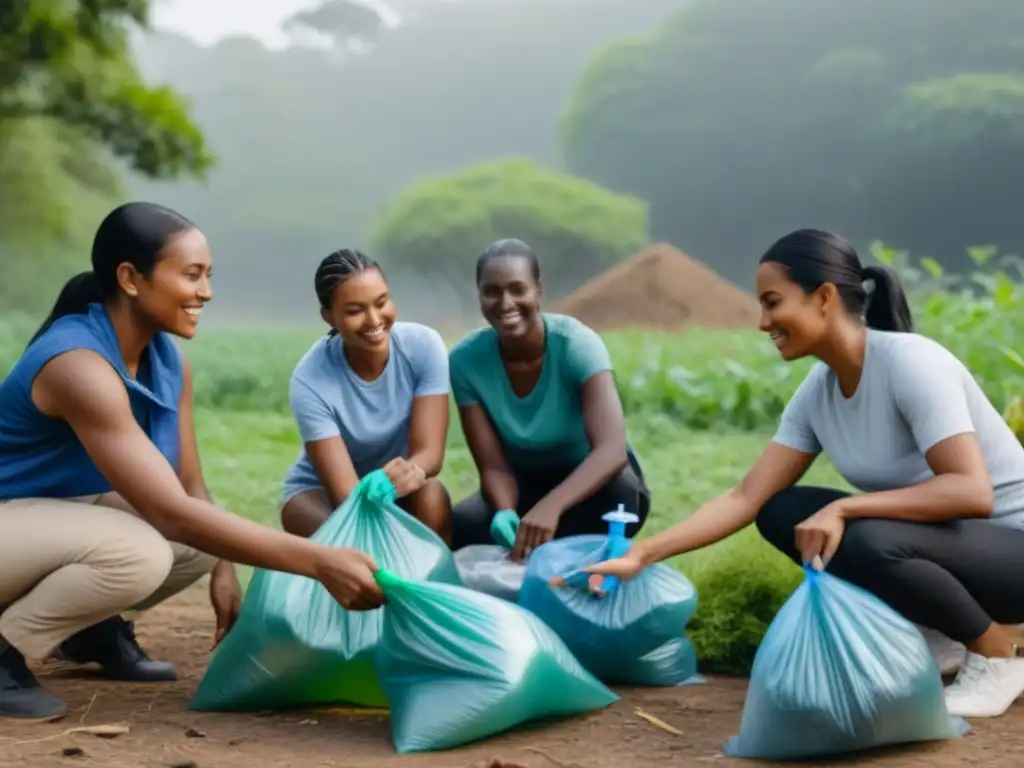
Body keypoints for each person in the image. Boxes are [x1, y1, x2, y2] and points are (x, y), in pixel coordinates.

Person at [584, 228, 1024, 719]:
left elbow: (971, 491)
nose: (763, 321)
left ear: (824, 298)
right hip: (957, 549)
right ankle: (942, 634)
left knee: (869, 536)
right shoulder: (819, 393)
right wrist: (641, 554)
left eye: (773, 303)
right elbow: (745, 496)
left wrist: (845, 506)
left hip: (1013, 549)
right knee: (783, 512)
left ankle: (997, 655)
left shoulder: (912, 363)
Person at [0, 203, 384, 723]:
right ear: (131, 279)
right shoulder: (78, 366)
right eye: (192, 275)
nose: (206, 292)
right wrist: (319, 563)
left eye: (209, 276)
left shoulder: (166, 360)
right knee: (139, 553)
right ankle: (5, 649)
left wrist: (223, 570)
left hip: (40, 520)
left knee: (196, 545)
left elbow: (190, 490)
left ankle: (87, 631)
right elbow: (171, 513)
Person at [449, 238, 650, 560]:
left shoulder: (576, 345)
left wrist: (550, 508)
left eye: (518, 289)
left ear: (538, 289)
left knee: (621, 497)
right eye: (491, 291)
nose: (505, 302)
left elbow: (611, 451)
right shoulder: (465, 362)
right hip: (523, 485)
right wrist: (504, 512)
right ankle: (533, 566)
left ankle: (568, 566)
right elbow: (495, 468)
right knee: (465, 523)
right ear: (479, 295)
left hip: (591, 480)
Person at [279, 249, 453, 543]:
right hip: (330, 495)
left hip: (399, 485)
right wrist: (371, 491)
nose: (374, 320)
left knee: (432, 497)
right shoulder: (310, 380)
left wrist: (405, 475)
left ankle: (437, 585)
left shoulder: (424, 347)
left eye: (381, 302)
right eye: (354, 311)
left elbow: (430, 455)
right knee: (349, 538)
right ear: (329, 316)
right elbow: (347, 495)